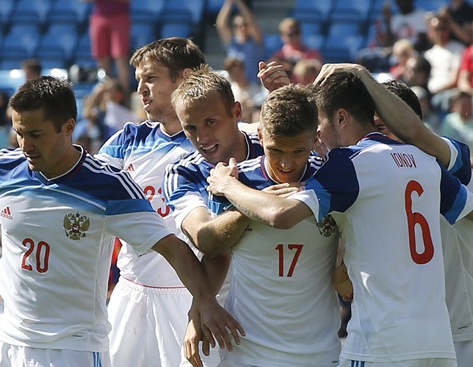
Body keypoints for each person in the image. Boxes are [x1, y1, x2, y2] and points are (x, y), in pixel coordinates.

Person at [0, 75, 242, 366]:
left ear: (68, 127)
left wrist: (206, 303)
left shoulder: (108, 186)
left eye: (36, 134)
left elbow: (172, 247)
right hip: (6, 340)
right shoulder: (0, 170)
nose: (25, 145)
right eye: (19, 132)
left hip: (73, 347)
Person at [207, 63, 473, 367]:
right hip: (439, 342)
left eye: (319, 124)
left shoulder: (350, 164)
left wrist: (227, 185)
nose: (317, 135)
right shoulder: (426, 162)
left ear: (341, 117)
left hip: (380, 345)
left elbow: (280, 214)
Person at [202, 84, 341, 366]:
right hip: (246, 350)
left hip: (317, 352)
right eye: (276, 150)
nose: (287, 164)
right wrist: (199, 309)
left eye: (298, 151)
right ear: (261, 136)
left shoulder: (333, 180)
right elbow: (213, 249)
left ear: (315, 139)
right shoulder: (237, 180)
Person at [164, 62, 289, 366]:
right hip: (218, 308)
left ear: (236, 113)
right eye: (190, 128)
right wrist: (199, 309)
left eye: (210, 122)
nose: (201, 137)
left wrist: (286, 96)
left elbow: (321, 149)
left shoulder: (274, 149)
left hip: (286, 308)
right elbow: (207, 240)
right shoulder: (183, 172)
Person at [95, 37, 206, 367]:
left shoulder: (217, 144)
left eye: (151, 78)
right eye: (139, 79)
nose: (140, 88)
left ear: (184, 79)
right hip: (130, 293)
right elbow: (85, 189)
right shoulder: (128, 140)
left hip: (193, 296)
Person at [357, 79, 473, 367]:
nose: (377, 138)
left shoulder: (447, 160)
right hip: (407, 334)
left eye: (383, 127)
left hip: (462, 330)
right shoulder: (371, 171)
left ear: (413, 122)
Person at [85, 0, 131, 97]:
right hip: (99, 16)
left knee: (120, 57)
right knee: (101, 59)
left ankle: (124, 98)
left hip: (120, 16)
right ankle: (106, 98)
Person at [216, 0, 265, 86]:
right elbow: (221, 25)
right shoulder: (233, 43)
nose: (241, 28)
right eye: (236, 25)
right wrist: (229, 3)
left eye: (244, 24)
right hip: (236, 87)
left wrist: (239, 2)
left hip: (254, 89)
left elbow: (251, 20)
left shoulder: (256, 43)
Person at [424, 14, 465, 112]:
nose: (439, 32)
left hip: (449, 95)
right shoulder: (427, 54)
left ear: (448, 30)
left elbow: (455, 80)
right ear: (430, 32)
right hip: (429, 96)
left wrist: (435, 91)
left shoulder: (458, 49)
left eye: (442, 28)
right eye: (435, 29)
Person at [269, 17, 322, 82]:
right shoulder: (279, 56)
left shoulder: (312, 53)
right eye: (290, 35)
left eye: (296, 33)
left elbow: (318, 70)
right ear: (283, 36)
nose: (294, 37)